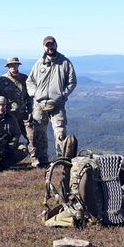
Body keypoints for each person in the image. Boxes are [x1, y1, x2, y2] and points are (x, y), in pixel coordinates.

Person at [26, 36, 77, 167]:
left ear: (56, 45)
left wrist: (62, 95)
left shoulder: (65, 63)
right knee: (39, 134)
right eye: (47, 45)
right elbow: (29, 81)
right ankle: (42, 161)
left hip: (57, 104)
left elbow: (72, 82)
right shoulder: (39, 63)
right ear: (44, 47)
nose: (50, 48)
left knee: (60, 133)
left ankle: (61, 161)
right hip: (40, 104)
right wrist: (35, 94)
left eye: (52, 45)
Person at [0, 56, 34, 157]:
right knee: (7, 139)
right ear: (8, 66)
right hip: (8, 116)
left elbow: (29, 96)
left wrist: (30, 111)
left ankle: (35, 159)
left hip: (23, 114)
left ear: (18, 65)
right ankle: (5, 158)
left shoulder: (24, 78)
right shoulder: (2, 80)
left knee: (31, 137)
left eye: (14, 64)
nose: (13, 66)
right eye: (10, 65)